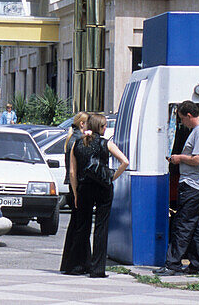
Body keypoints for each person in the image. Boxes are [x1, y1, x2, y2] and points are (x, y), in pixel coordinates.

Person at [154, 100, 199, 276]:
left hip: (193, 184)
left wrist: (179, 158)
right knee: (195, 225)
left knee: (182, 224)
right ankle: (197, 265)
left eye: (182, 119)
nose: (182, 123)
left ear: (189, 116)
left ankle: (172, 263)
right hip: (197, 185)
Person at [65, 113, 129, 277]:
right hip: (103, 188)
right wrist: (111, 177)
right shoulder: (105, 143)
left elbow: (72, 171)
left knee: (82, 227)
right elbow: (125, 162)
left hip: (84, 188)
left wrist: (75, 191)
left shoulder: (77, 143)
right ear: (100, 128)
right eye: (104, 125)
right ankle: (97, 269)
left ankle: (77, 266)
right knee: (101, 227)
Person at [59, 111, 91, 273]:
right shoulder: (77, 140)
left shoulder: (71, 139)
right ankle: (77, 263)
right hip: (76, 185)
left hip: (73, 186)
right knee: (80, 225)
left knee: (76, 225)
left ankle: (72, 263)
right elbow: (73, 170)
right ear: (82, 124)